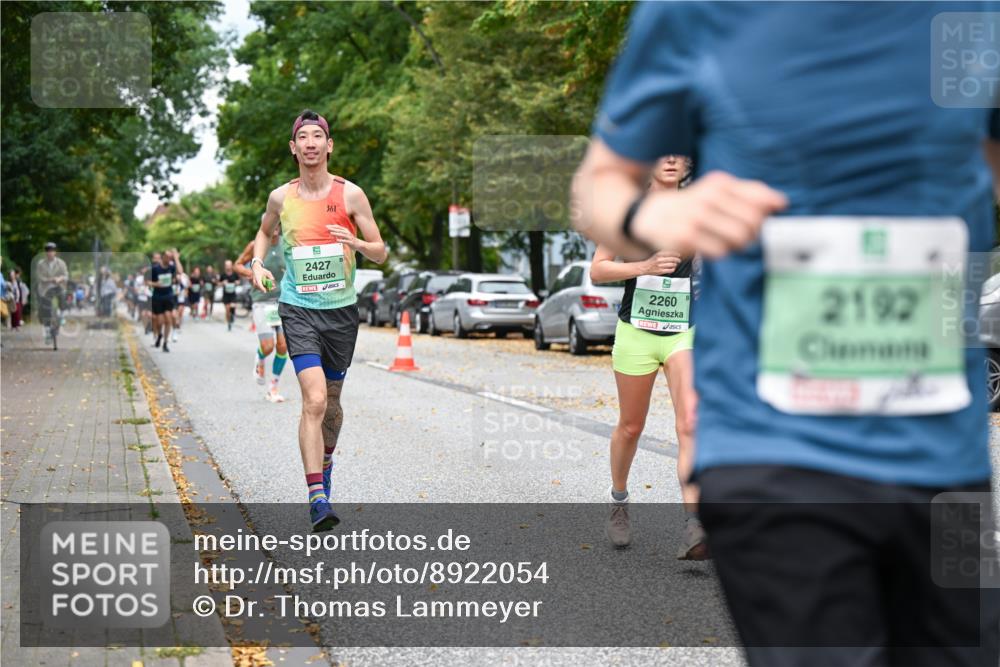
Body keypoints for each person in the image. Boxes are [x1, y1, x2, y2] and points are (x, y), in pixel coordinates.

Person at [572, 2, 1000, 665]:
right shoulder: (699, 13)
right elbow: (601, 185)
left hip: (947, 462)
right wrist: (661, 211)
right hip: (776, 451)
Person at [249, 109, 387, 531]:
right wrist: (257, 262)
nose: (310, 143)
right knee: (314, 400)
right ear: (294, 148)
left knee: (333, 402)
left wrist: (356, 242)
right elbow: (264, 231)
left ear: (329, 146)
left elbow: (381, 251)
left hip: (342, 313)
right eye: (302, 137)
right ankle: (317, 498)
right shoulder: (280, 197)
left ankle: (325, 466)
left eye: (317, 137)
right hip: (298, 308)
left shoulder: (351, 195)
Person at [590, 155, 705, 559]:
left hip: (683, 331)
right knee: (631, 426)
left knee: (690, 422)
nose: (672, 159)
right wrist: (645, 265)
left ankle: (694, 525)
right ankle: (619, 500)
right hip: (636, 331)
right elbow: (598, 270)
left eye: (681, 153)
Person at [236, 226, 289, 402]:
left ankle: (273, 388)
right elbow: (237, 265)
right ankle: (260, 357)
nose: (274, 228)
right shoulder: (255, 245)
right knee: (268, 346)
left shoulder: (287, 244)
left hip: (282, 301)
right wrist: (253, 273)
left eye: (277, 225)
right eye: (270, 225)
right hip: (262, 301)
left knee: (282, 346)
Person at [34, 241, 69, 345]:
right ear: (46, 253)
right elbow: (39, 277)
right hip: (45, 287)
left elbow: (66, 275)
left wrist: (60, 278)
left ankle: (62, 315)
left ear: (55, 252)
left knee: (63, 296)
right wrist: (50, 279)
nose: (50, 253)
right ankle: (48, 330)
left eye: (52, 251)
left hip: (58, 286)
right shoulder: (41, 264)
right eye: (48, 251)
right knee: (46, 308)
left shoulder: (61, 263)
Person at [150, 249, 183, 352]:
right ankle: (159, 334)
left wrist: (176, 258)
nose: (169, 259)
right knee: (160, 321)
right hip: (158, 297)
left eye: (171, 257)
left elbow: (180, 271)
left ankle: (165, 343)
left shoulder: (171, 267)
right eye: (168, 257)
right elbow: (147, 282)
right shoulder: (155, 269)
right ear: (163, 257)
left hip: (168, 296)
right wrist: (156, 284)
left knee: (168, 320)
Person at [219, 260, 239, 331]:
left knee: (232, 306)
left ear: (231, 266)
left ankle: (232, 316)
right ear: (225, 266)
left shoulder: (234, 274)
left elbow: (238, 281)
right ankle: (229, 323)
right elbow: (218, 284)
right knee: (227, 310)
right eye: (226, 265)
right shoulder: (223, 275)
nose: (228, 266)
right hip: (226, 295)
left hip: (233, 294)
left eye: (229, 265)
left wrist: (237, 282)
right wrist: (222, 283)